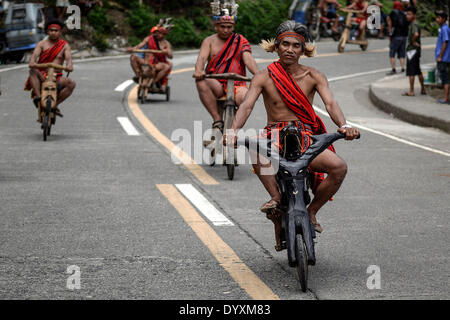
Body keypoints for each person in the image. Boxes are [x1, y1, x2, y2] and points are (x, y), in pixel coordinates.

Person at [222, 21, 360, 233]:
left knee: (339, 167)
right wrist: (232, 130)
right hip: (274, 135)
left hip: (306, 136)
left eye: (296, 45)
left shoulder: (314, 76)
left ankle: (312, 211)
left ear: (303, 50)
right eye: (285, 44)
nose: (290, 49)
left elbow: (331, 104)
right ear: (276, 47)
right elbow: (247, 106)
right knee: (255, 149)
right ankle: (275, 197)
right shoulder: (263, 76)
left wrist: (344, 125)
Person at [193, 8, 259, 138]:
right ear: (216, 26)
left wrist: (258, 73)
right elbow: (201, 59)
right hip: (216, 82)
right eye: (222, 26)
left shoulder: (240, 40)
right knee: (200, 81)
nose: (226, 30)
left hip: (237, 84)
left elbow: (248, 59)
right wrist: (199, 70)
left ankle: (234, 129)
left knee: (247, 98)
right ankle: (217, 121)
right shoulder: (209, 41)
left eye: (229, 27)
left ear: (233, 26)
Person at [25, 19, 75, 117]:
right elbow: (34, 56)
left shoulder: (64, 46)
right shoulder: (41, 44)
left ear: (60, 32)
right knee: (32, 71)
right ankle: (39, 97)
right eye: (51, 30)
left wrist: (69, 66)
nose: (53, 33)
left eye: (56, 31)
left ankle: (55, 105)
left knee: (71, 84)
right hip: (42, 74)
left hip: (57, 76)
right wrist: (32, 62)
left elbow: (69, 60)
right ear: (47, 31)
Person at [127, 18, 173, 92]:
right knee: (133, 57)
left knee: (167, 66)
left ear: (164, 35)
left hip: (156, 64)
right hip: (146, 62)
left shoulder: (166, 44)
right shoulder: (149, 39)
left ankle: (154, 82)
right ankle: (138, 76)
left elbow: (171, 56)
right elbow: (139, 46)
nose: (157, 34)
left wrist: (167, 52)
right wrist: (132, 49)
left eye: (160, 33)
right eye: (157, 32)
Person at [403, 6, 425, 96]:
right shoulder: (413, 24)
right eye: (407, 14)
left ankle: (411, 91)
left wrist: (412, 41)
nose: (407, 16)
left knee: (411, 71)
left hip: (412, 51)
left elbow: (415, 34)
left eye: (409, 14)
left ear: (414, 15)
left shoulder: (414, 24)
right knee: (418, 70)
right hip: (415, 51)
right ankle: (423, 89)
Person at [386, 1, 408, 75]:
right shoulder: (405, 13)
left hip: (396, 36)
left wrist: (390, 32)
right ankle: (403, 68)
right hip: (404, 36)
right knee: (402, 53)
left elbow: (389, 22)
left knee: (392, 53)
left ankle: (393, 69)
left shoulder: (393, 12)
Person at [435, 10, 450, 104]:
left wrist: (440, 56)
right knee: (445, 77)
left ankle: (445, 98)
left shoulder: (444, 29)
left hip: (444, 58)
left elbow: (445, 42)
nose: (437, 19)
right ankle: (445, 97)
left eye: (439, 18)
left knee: (445, 79)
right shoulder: (443, 28)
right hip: (444, 58)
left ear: (444, 19)